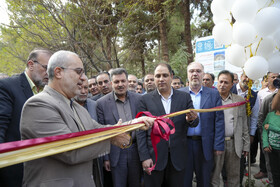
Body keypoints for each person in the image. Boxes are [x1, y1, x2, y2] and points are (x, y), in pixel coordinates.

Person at [20, 50, 154, 187]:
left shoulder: (77, 107)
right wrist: (112, 138)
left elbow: (99, 130)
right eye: (79, 72)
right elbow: (69, 149)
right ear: (58, 72)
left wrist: (133, 124)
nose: (83, 78)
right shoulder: (38, 105)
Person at [137, 63, 198, 187]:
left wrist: (191, 119)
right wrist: (144, 157)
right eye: (157, 76)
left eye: (165, 75)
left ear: (171, 76)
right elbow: (140, 131)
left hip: (178, 157)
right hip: (154, 157)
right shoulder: (145, 100)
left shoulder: (184, 97)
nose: (161, 79)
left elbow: (194, 122)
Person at [0, 48, 53, 187]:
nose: (49, 73)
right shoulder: (7, 87)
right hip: (15, 172)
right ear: (31, 64)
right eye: (46, 68)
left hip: (42, 171)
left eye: (52, 69)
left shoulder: (47, 92)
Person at [96, 68, 143, 187]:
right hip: (115, 152)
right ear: (111, 83)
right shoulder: (101, 103)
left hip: (136, 151)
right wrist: (106, 158)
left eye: (123, 81)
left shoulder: (139, 99)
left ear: (127, 82)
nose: (120, 85)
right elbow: (102, 131)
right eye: (116, 82)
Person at [180, 62, 224, 187]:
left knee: (204, 181)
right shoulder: (179, 94)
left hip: (205, 144)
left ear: (203, 74)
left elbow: (219, 121)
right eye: (191, 71)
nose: (195, 74)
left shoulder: (213, 94)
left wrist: (218, 145)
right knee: (184, 180)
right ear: (187, 74)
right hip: (184, 144)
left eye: (198, 71)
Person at [211, 70, 249, 187]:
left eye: (226, 82)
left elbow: (243, 124)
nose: (222, 85)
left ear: (232, 84)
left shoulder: (239, 101)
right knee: (214, 176)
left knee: (234, 176)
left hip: (234, 143)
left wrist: (246, 145)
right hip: (216, 143)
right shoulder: (210, 99)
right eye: (220, 82)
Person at [230, 72, 259, 184]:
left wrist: (251, 134)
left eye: (250, 77)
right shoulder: (229, 89)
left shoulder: (254, 95)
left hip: (242, 133)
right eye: (245, 76)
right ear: (241, 76)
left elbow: (254, 117)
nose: (247, 79)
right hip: (227, 131)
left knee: (240, 162)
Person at [74, 76, 103, 187]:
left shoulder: (94, 105)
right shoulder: (67, 105)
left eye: (86, 88)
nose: (84, 91)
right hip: (77, 158)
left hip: (96, 157)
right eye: (80, 87)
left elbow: (100, 127)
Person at [262, 109, 280, 187]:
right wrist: (265, 143)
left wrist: (271, 127)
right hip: (272, 150)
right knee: (275, 173)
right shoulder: (270, 115)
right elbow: (264, 129)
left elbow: (268, 127)